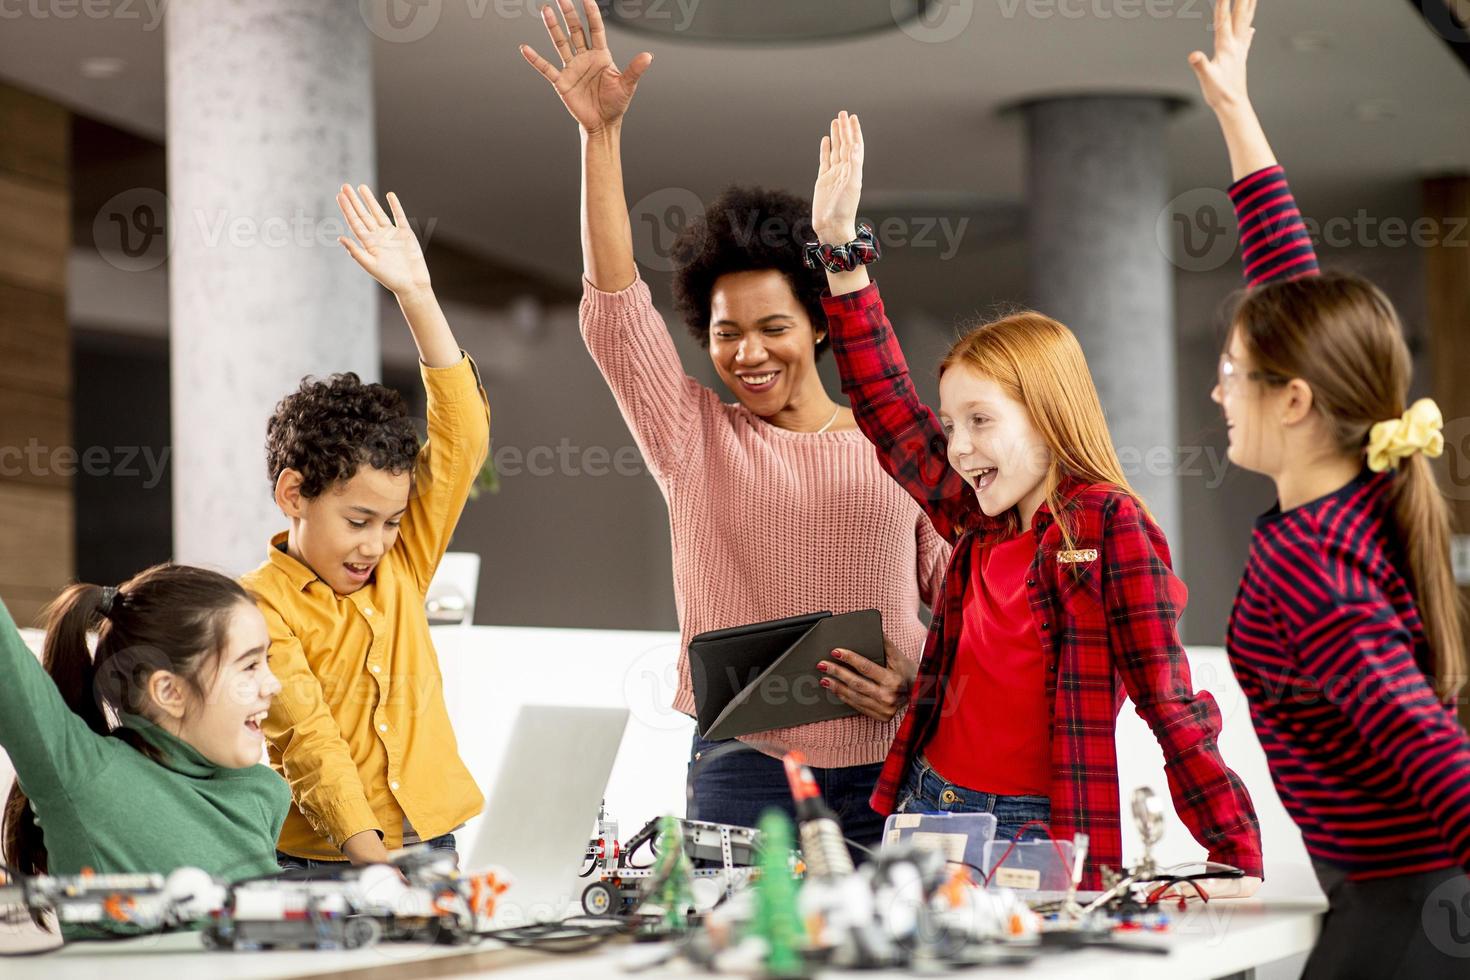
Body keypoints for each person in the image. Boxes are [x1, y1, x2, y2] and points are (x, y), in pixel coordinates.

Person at [519, 0, 948, 846]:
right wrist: (597, 139)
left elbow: (964, 597)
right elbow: (613, 311)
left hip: (892, 762)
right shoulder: (693, 437)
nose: (748, 353)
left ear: (822, 323)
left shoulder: (898, 442)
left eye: (773, 328)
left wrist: (918, 684)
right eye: (726, 333)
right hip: (744, 763)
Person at [810, 103, 1263, 890]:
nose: (959, 447)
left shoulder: (1108, 527)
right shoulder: (978, 522)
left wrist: (1240, 858)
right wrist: (841, 253)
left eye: (982, 421)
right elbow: (887, 410)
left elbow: (1170, 701)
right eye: (953, 425)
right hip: (924, 807)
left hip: (1035, 833)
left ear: (1050, 418)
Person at [1198, 2, 1470, 974]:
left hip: (1407, 914)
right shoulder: (1360, 489)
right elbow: (1292, 286)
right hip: (1412, 897)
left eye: (1233, 373)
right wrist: (1237, 112)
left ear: (1299, 399)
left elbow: (1419, 737)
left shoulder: (1316, 564)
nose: (1218, 391)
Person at [241, 185, 490, 869]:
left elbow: (462, 436)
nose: (377, 544)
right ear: (294, 494)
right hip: (326, 860)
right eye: (358, 521)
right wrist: (375, 869)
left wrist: (416, 295)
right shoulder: (259, 606)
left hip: (435, 841)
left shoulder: (402, 563)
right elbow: (307, 740)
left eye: (392, 523)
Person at [1, 565, 287, 884]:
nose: (273, 684)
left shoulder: (263, 791)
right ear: (169, 691)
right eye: (249, 665)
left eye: (267, 661)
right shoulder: (83, 775)